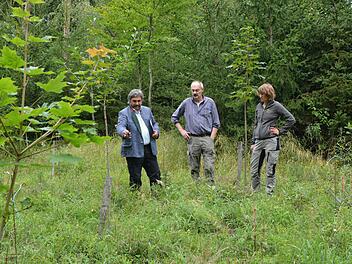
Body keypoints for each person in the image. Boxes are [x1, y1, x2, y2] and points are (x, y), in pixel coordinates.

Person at [171, 80, 220, 184]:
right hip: (192, 139)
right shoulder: (186, 103)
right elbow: (174, 118)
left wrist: (211, 139)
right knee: (194, 167)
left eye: (197, 90)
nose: (195, 92)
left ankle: (210, 188)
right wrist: (182, 131)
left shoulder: (210, 102)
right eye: (193, 90)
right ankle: (196, 188)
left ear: (202, 90)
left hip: (207, 138)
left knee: (209, 166)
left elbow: (216, 123)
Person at [250, 83, 295, 195]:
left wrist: (280, 131)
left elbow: (291, 119)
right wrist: (253, 141)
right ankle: (256, 193)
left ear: (268, 94)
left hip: (271, 141)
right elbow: (256, 124)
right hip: (258, 142)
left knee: (270, 169)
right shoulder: (258, 107)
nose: (260, 96)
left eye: (262, 94)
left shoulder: (276, 106)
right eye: (259, 93)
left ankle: (269, 194)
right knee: (254, 170)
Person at [116, 89, 162, 190]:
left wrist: (156, 132)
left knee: (155, 175)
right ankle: (135, 201)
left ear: (142, 100)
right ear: (129, 101)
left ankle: (157, 197)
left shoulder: (147, 110)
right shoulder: (124, 113)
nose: (137, 103)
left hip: (149, 148)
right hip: (134, 149)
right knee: (135, 177)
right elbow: (120, 126)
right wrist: (124, 132)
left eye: (139, 101)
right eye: (134, 101)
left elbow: (154, 124)